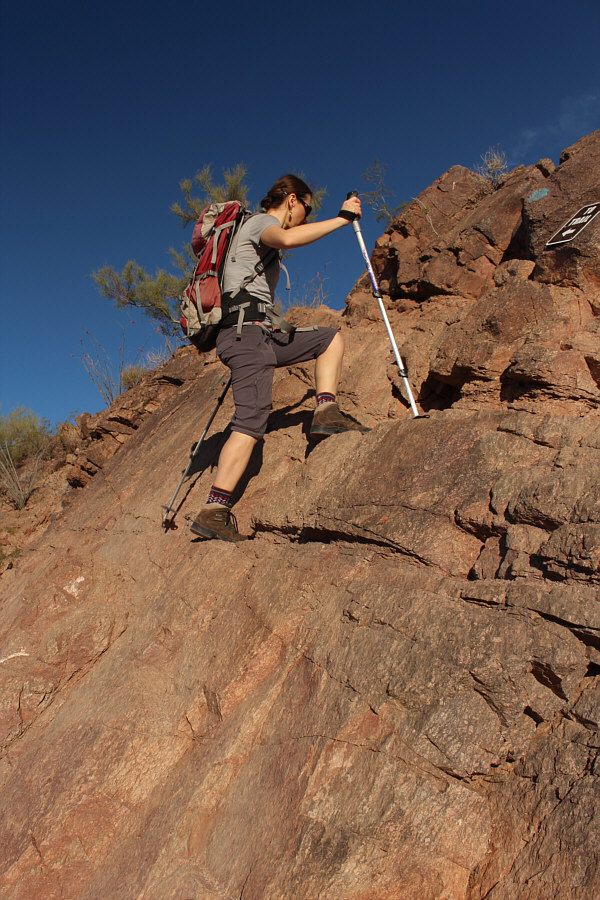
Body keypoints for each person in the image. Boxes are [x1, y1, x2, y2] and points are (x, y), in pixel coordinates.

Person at [190, 174, 368, 543]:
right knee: (251, 420)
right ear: (291, 199)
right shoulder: (261, 222)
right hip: (245, 335)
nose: (305, 215)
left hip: (261, 334)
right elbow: (286, 238)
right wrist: (342, 219)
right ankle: (213, 510)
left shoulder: (251, 229)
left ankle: (326, 412)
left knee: (329, 338)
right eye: (306, 207)